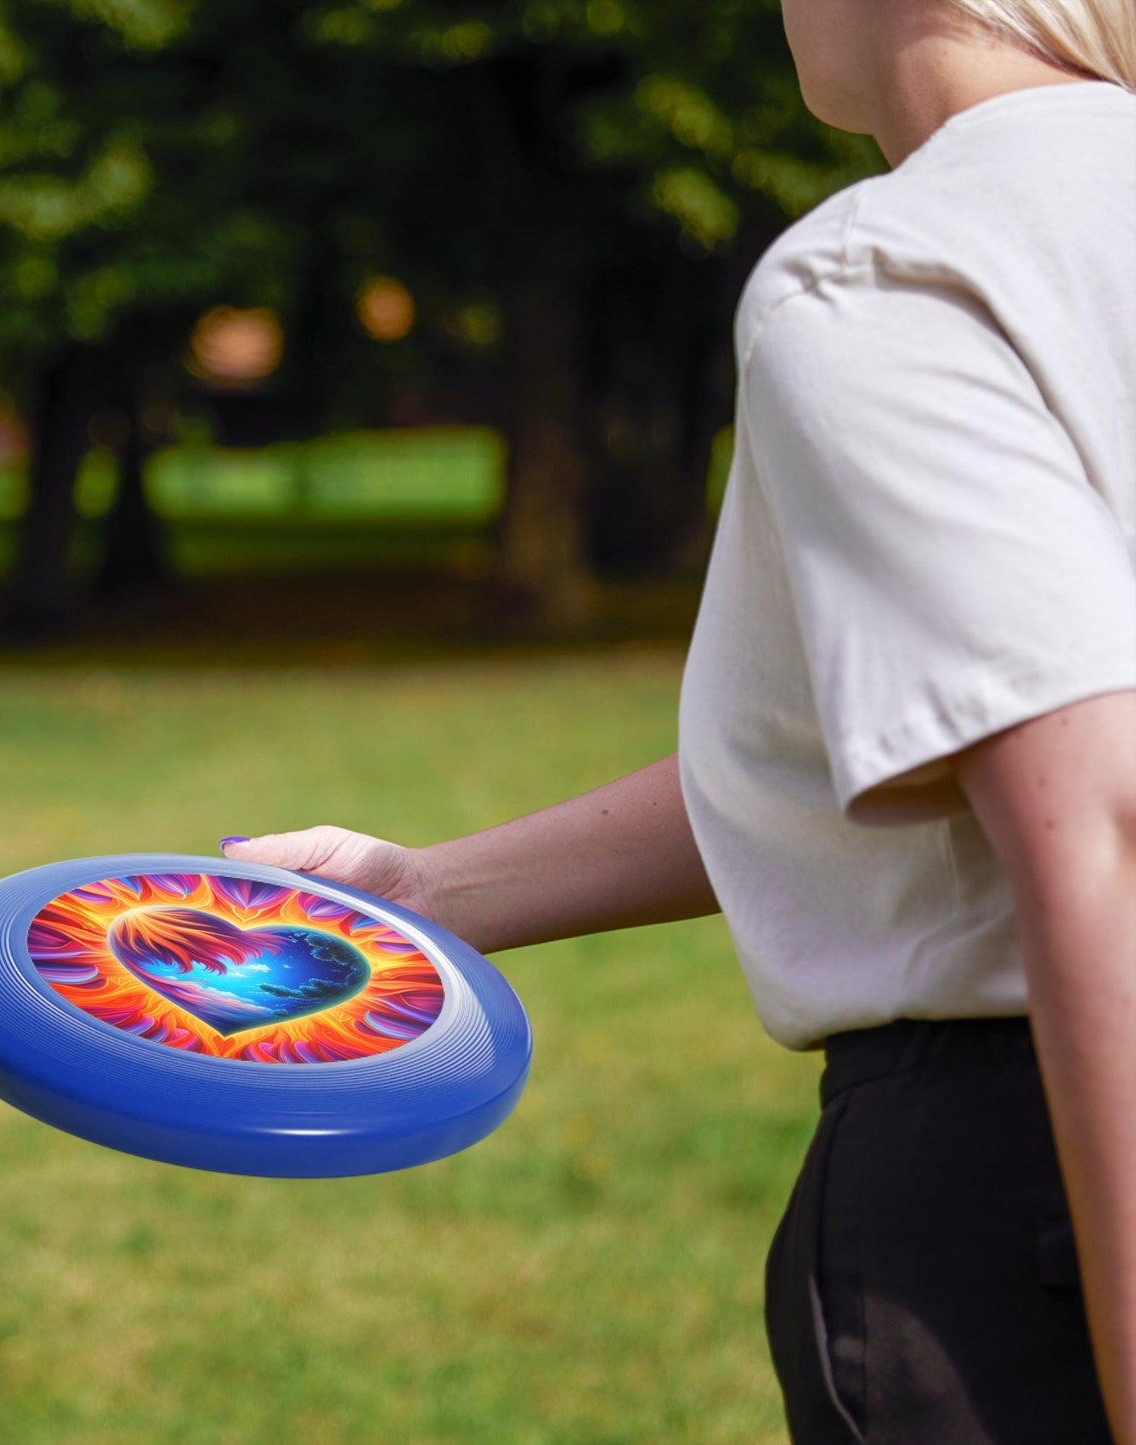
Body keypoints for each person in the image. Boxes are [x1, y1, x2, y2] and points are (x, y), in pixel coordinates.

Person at [220, 1, 1136, 1440]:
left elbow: (1099, 821)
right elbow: (900, 742)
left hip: (1034, 1187)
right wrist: (427, 892)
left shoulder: (896, 269)